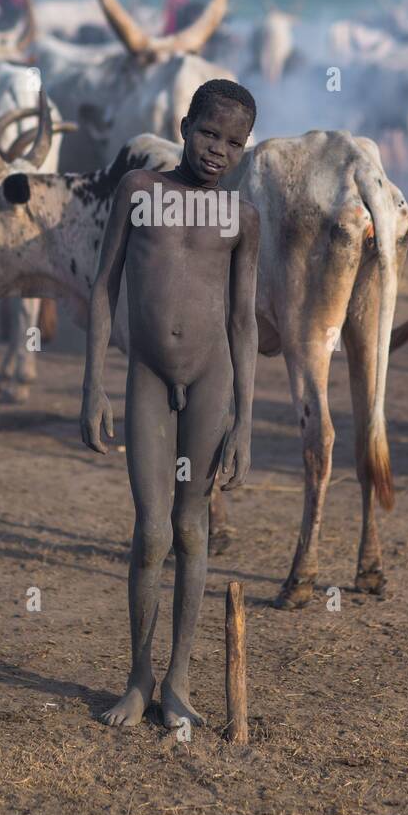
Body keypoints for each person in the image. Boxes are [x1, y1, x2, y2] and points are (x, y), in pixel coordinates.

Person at [80, 79, 260, 729]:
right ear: (184, 126)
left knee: (192, 528)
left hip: (211, 381)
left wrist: (246, 418)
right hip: (148, 376)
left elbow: (243, 322)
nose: (217, 151)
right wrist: (91, 386)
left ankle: (179, 679)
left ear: (245, 148)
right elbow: (101, 290)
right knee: (151, 532)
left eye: (233, 142)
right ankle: (137, 677)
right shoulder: (139, 193)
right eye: (208, 134)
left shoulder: (240, 216)